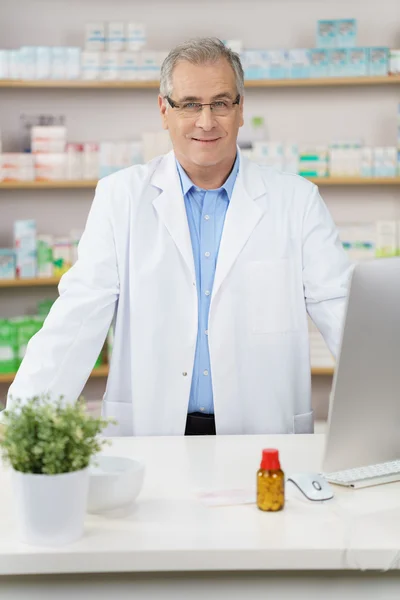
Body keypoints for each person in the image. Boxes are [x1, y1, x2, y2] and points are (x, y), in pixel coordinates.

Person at [4, 37, 351, 437]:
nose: (206, 121)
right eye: (190, 104)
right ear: (164, 110)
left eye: (221, 103)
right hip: (153, 433)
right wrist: (21, 425)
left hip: (262, 434)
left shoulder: (296, 201)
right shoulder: (122, 197)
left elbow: (343, 315)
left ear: (240, 109)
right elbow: (77, 318)